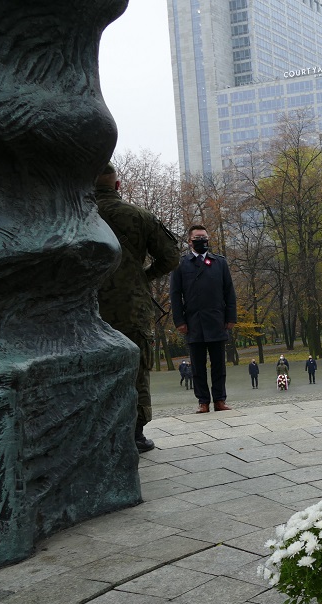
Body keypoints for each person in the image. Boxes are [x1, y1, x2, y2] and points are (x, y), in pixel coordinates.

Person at [95, 163, 180, 453]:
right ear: (117, 186)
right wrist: (143, 277)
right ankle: (135, 434)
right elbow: (171, 257)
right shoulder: (139, 216)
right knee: (136, 368)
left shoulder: (76, 217)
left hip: (86, 309)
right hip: (131, 308)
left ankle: (96, 434)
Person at [170, 225, 238, 413]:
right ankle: (203, 402)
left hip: (217, 320)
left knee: (219, 365)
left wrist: (231, 317)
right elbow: (175, 295)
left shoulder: (219, 262)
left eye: (204, 237)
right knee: (198, 367)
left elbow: (229, 292)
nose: (202, 241)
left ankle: (220, 400)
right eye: (198, 238)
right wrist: (179, 321)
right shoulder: (181, 264)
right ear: (190, 241)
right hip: (194, 322)